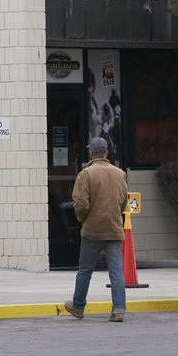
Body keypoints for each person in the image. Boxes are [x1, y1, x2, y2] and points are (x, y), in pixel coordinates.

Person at [63, 135, 130, 321]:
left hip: (93, 230)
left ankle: (78, 306)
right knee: (116, 271)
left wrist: (83, 220)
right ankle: (118, 309)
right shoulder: (120, 173)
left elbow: (81, 203)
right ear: (106, 152)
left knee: (85, 270)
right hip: (115, 228)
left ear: (91, 153)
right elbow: (124, 202)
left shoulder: (86, 174)